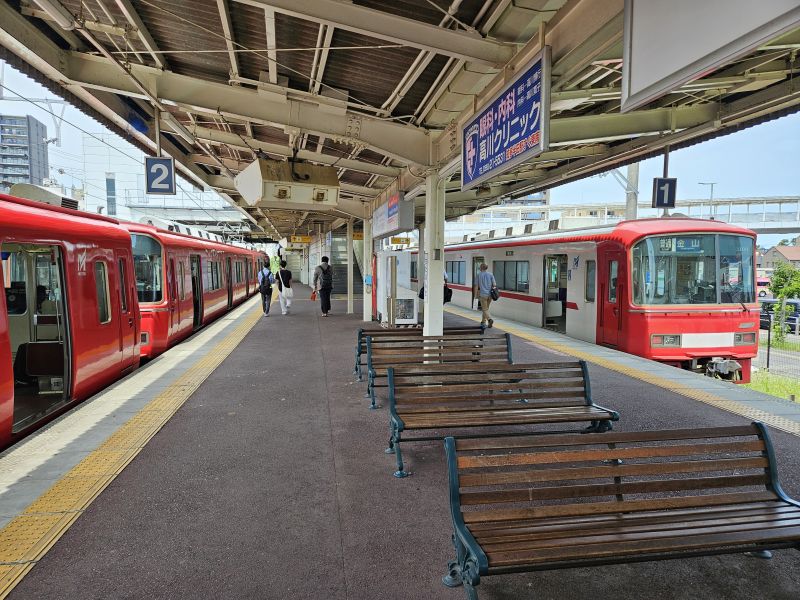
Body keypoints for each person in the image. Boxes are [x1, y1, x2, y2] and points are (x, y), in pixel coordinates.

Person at [474, 262, 497, 328]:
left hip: (483, 295)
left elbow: (476, 286)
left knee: (484, 309)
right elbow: (494, 285)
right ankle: (483, 322)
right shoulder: (491, 274)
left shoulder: (479, 275)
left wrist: (475, 295)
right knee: (486, 309)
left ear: (481, 268)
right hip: (490, 295)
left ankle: (489, 319)